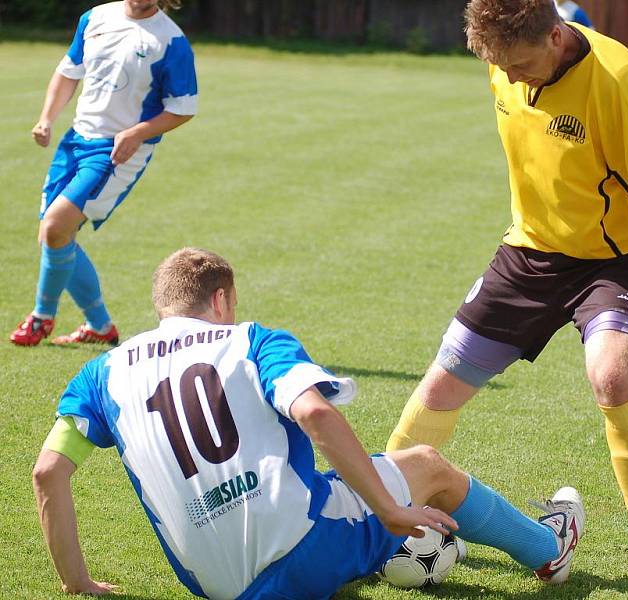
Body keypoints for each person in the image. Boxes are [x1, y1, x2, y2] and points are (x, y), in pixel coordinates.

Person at [32, 247, 586, 599]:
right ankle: (547, 550)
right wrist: (390, 508)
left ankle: (395, 550)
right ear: (220, 299)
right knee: (425, 465)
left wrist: (76, 582)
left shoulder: (100, 374)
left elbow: (47, 474)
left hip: (209, 583)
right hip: (299, 553)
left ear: (162, 308)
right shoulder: (250, 340)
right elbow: (315, 411)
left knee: (331, 491)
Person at [386, 2, 628, 599]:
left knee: (612, 376)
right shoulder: (506, 57)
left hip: (613, 260)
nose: (513, 77)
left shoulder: (621, 83)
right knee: (440, 385)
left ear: (558, 37)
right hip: (528, 254)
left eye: (523, 65)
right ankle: (371, 514)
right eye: (501, 67)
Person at [9, 0, 197, 347]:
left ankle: (41, 318)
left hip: (118, 151)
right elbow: (69, 71)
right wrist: (47, 118)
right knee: (54, 237)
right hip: (75, 140)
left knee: (54, 227)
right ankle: (99, 326)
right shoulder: (95, 17)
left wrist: (137, 133)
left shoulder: (171, 41)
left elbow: (183, 108)